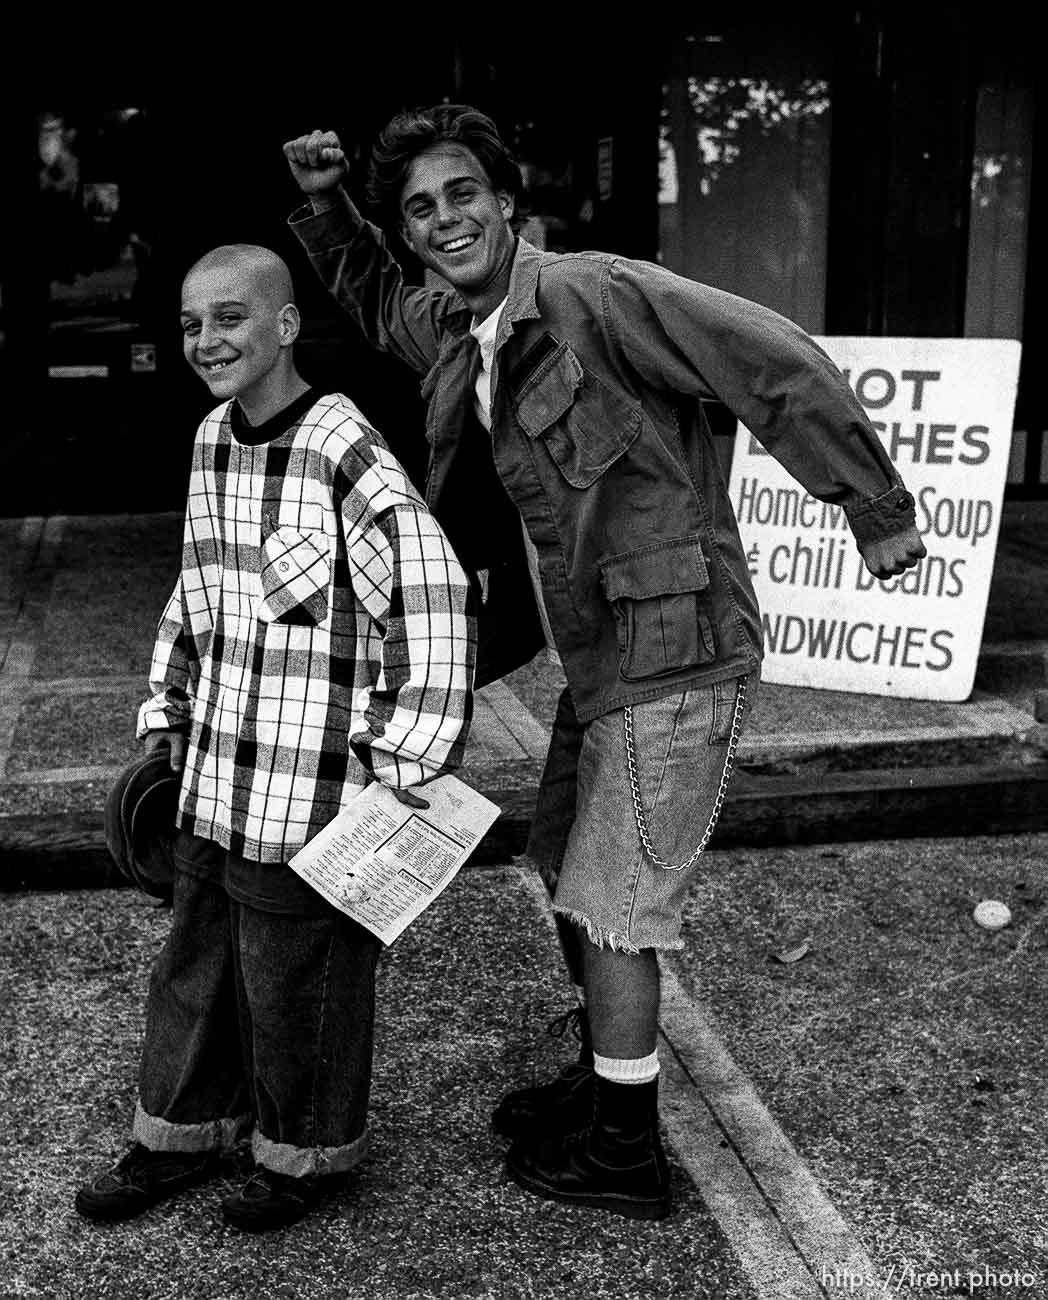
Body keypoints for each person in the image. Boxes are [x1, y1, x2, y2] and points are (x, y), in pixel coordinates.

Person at [282, 108, 926, 1222]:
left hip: (673, 652)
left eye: (461, 195)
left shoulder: (593, 294)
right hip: (598, 659)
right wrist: (331, 208)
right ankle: (602, 1085)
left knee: (616, 902)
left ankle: (625, 1149)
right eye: (421, 209)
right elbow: (378, 298)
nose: (444, 221)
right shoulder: (455, 323)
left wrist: (871, 507)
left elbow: (771, 360)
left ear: (506, 201)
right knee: (562, 866)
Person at [74, 242, 475, 1232]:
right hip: (218, 768)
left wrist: (396, 763)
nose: (206, 339)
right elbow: (195, 592)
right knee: (198, 959)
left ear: (286, 324)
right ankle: (180, 1133)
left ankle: (306, 1157)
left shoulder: (344, 446)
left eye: (229, 317)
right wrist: (166, 717)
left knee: (303, 980)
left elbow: (434, 598)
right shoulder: (213, 437)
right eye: (190, 323)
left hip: (315, 788)